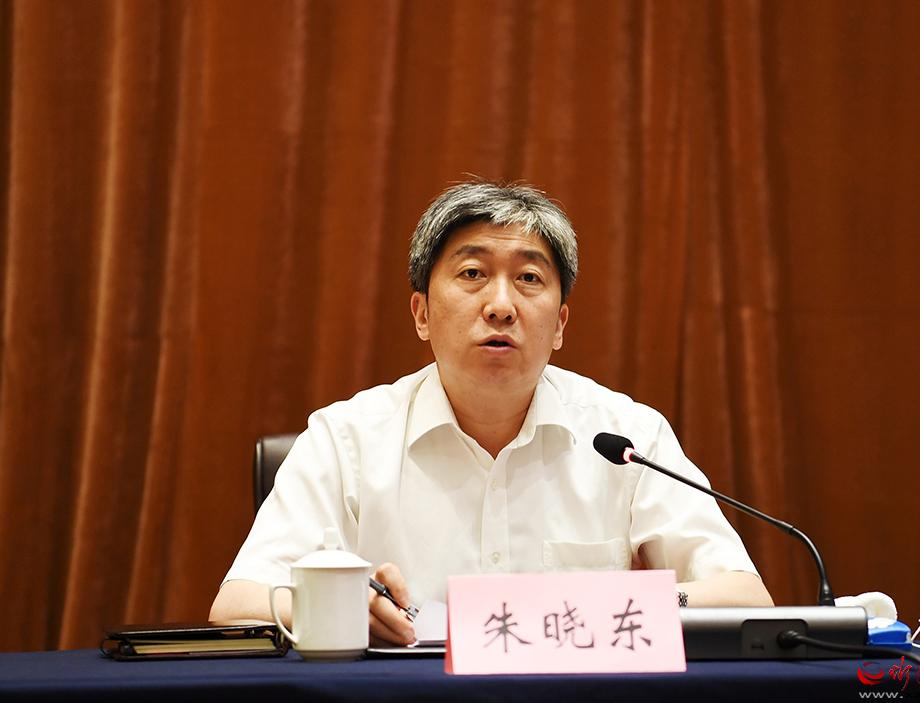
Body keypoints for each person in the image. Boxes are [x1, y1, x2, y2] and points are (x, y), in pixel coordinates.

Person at [209, 181, 773, 645]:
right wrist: (338, 605)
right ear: (422, 314)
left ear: (560, 325)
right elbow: (237, 603)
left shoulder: (627, 437)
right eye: (472, 274)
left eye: (529, 279)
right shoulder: (346, 438)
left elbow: (745, 596)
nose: (501, 306)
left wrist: (607, 601)